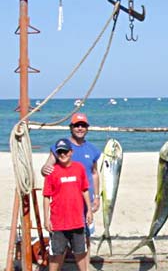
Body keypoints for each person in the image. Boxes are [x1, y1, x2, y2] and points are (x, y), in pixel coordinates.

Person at [42, 113, 101, 268]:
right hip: (63, 205)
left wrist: (97, 198)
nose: (80, 128)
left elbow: (95, 173)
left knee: (85, 239)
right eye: (76, 125)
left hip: (84, 201)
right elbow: (47, 168)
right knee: (59, 245)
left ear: (87, 128)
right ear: (71, 127)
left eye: (83, 125)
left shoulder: (92, 149)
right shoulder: (62, 146)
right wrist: (44, 168)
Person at [43, 138, 93, 271]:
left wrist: (89, 210)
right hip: (58, 222)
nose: (63, 155)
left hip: (77, 220)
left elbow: (84, 190)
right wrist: (46, 218)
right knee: (56, 254)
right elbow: (46, 196)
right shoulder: (52, 172)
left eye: (65, 151)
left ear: (71, 152)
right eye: (60, 152)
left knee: (80, 253)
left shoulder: (79, 168)